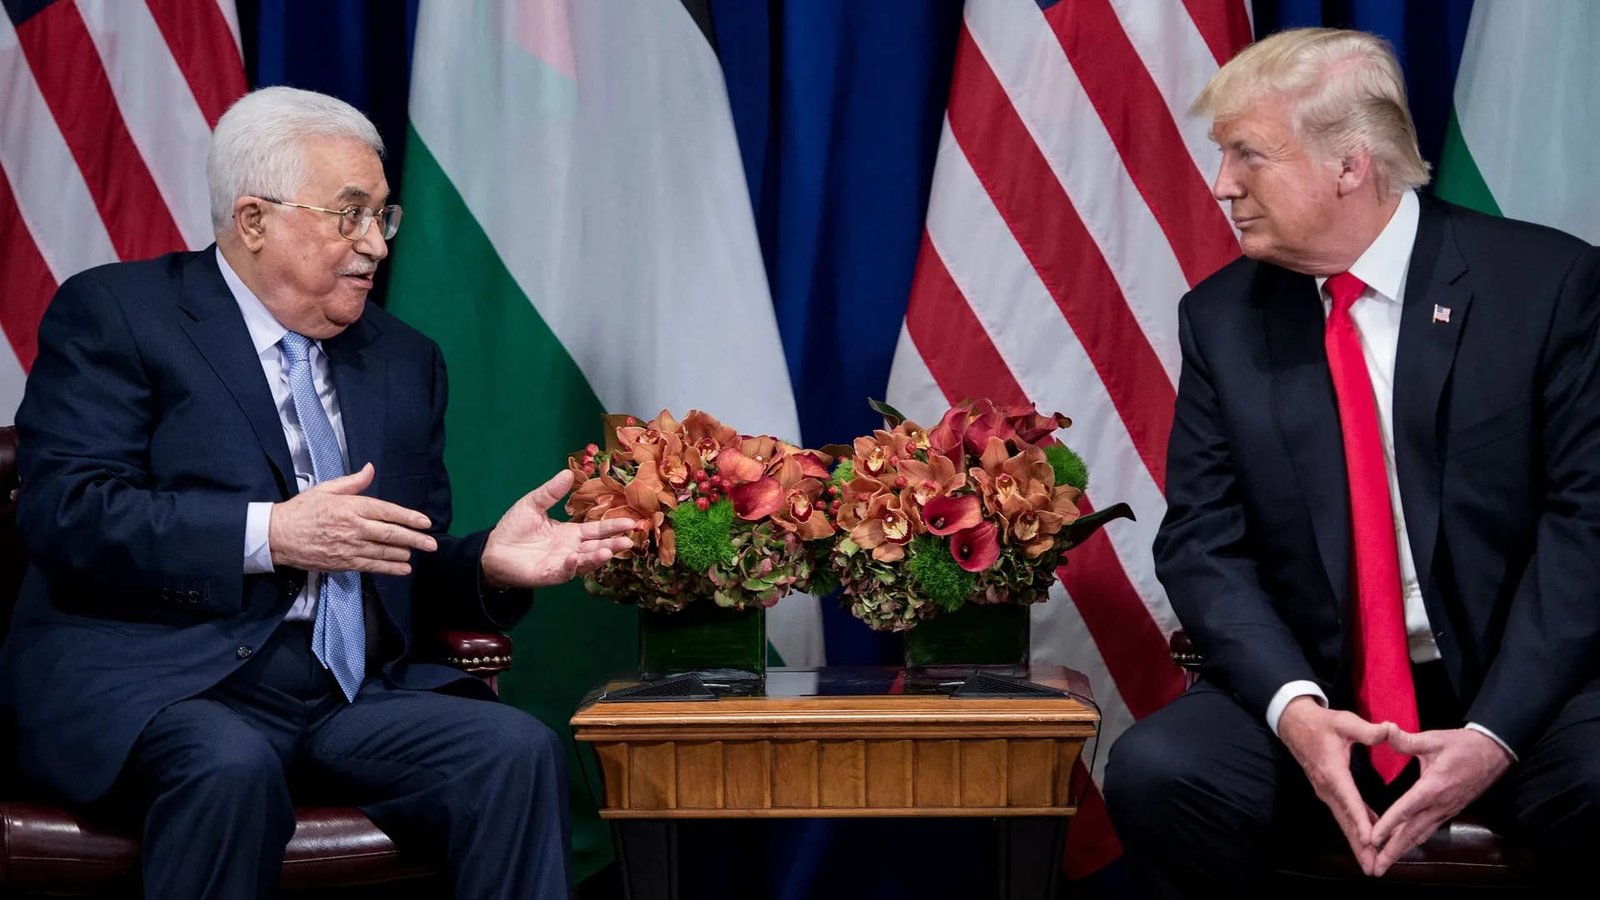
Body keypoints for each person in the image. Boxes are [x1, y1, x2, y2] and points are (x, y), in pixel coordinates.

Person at [0, 86, 637, 900]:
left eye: (382, 216)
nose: (376, 243)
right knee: (229, 765)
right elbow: (68, 513)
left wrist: (486, 566)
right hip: (164, 681)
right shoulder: (120, 315)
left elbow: (394, 559)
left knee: (514, 751)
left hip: (344, 694)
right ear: (253, 220)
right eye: (350, 215)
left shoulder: (403, 359)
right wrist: (270, 534)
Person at [1103, 27, 1600, 897]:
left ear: (1349, 164)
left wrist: (1492, 735)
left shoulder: (1547, 287)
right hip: (1321, 690)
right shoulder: (1221, 320)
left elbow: (1586, 529)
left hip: (1521, 691)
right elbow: (1202, 544)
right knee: (1160, 772)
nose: (1222, 185)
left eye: (1249, 155)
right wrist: (1296, 711)